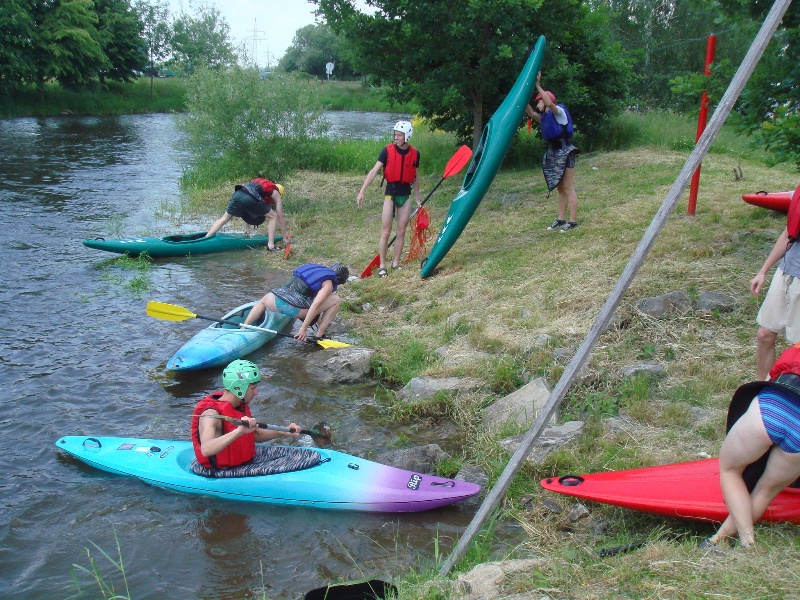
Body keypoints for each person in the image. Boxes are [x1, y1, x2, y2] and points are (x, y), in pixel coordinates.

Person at [701, 342, 800, 550]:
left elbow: (767, 380)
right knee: (765, 491)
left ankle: (747, 541)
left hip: (772, 409)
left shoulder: (796, 347)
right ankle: (718, 540)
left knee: (730, 470)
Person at [191, 359, 299, 473]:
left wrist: (283, 432)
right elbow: (206, 449)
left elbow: (256, 435)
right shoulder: (210, 414)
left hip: (246, 462)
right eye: (253, 388)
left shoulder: (239, 405)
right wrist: (239, 431)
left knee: (305, 456)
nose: (256, 392)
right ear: (238, 388)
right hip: (221, 470)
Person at [356, 120, 421, 277]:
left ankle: (396, 263)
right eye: (395, 135)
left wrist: (418, 199)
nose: (396, 138)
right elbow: (373, 171)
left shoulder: (415, 154)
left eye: (399, 135)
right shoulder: (387, 151)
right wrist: (362, 191)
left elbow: (415, 177)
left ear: (407, 136)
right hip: (390, 194)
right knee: (386, 231)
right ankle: (382, 265)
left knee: (401, 231)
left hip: (405, 195)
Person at [525, 72, 579, 232]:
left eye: (539, 101)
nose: (537, 105)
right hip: (555, 153)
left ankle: (573, 221)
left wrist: (537, 85)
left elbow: (549, 103)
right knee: (560, 188)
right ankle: (561, 219)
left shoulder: (558, 112)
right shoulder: (544, 117)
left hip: (566, 151)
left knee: (568, 188)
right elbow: (530, 112)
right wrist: (523, 95)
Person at [243, 263, 349, 341]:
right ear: (339, 280)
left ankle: (244, 327)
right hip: (295, 309)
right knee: (336, 300)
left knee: (262, 301)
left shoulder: (313, 271)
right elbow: (316, 305)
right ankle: (319, 335)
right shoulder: (328, 283)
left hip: (274, 301)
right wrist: (303, 329)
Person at [751, 223, 800, 380]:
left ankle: (792, 398)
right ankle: (763, 391)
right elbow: (789, 233)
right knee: (765, 334)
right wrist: (763, 271)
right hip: (786, 270)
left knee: (797, 348)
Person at [205, 178, 287, 251]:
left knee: (224, 219)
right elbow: (280, 218)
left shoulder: (260, 186)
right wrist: (284, 237)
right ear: (281, 193)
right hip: (248, 197)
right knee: (273, 217)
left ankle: (206, 238)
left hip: (238, 194)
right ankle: (271, 246)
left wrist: (247, 228)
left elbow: (249, 200)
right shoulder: (276, 193)